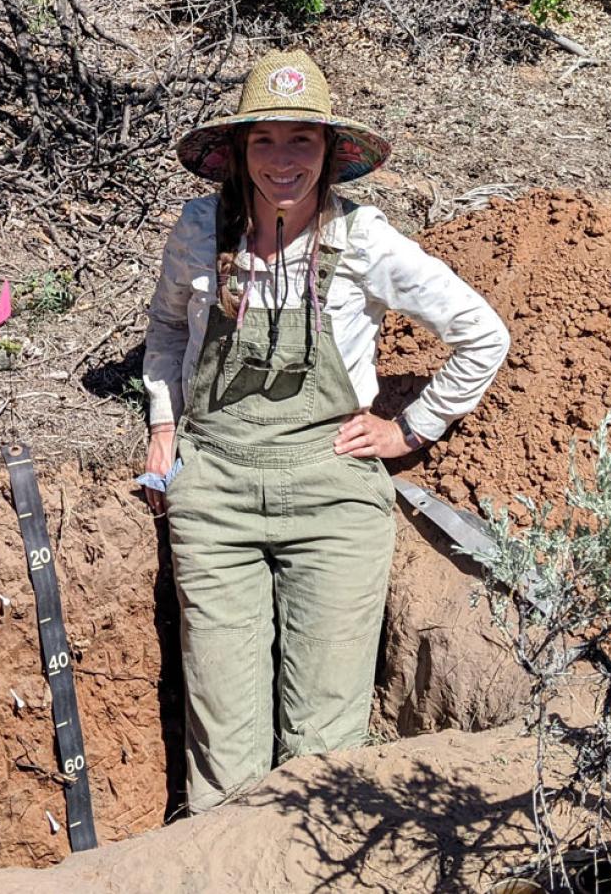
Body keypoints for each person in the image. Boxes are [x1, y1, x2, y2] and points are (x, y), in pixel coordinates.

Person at [140, 49, 509, 812]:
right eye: (264, 139)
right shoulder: (200, 228)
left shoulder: (364, 239)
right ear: (238, 151)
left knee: (323, 753)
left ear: (330, 151)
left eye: (301, 139)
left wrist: (411, 428)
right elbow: (169, 329)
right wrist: (164, 420)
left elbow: (482, 332)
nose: (283, 160)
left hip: (335, 499)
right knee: (223, 756)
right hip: (216, 492)